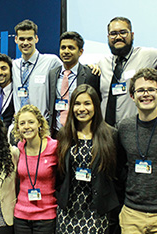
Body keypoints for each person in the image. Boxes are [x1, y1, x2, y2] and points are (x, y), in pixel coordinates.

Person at [117, 68, 157, 233]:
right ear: (132, 96)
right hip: (132, 212)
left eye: (151, 90)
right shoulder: (124, 127)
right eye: (140, 90)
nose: (146, 94)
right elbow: (121, 166)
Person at [55, 84, 123, 233]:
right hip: (68, 209)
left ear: (95, 106)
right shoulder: (64, 135)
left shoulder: (110, 135)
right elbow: (59, 173)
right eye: (77, 104)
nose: (81, 109)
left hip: (97, 210)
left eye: (87, 103)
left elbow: (117, 174)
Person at [11, 104, 58, 234]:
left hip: (46, 216)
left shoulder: (54, 147)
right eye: (22, 123)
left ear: (39, 124)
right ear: (18, 128)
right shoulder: (19, 148)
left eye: (31, 122)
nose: (27, 126)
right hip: (21, 216)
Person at [48, 31, 100, 136]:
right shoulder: (52, 74)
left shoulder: (90, 74)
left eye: (71, 48)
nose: (66, 51)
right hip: (56, 132)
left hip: (80, 131)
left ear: (80, 52)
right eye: (63, 48)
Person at [11, 19, 62, 118]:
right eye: (22, 39)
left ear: (36, 39)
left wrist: (92, 67)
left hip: (42, 124)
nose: (25, 43)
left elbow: (70, 72)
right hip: (20, 125)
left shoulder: (51, 61)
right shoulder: (14, 65)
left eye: (29, 39)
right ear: (16, 39)